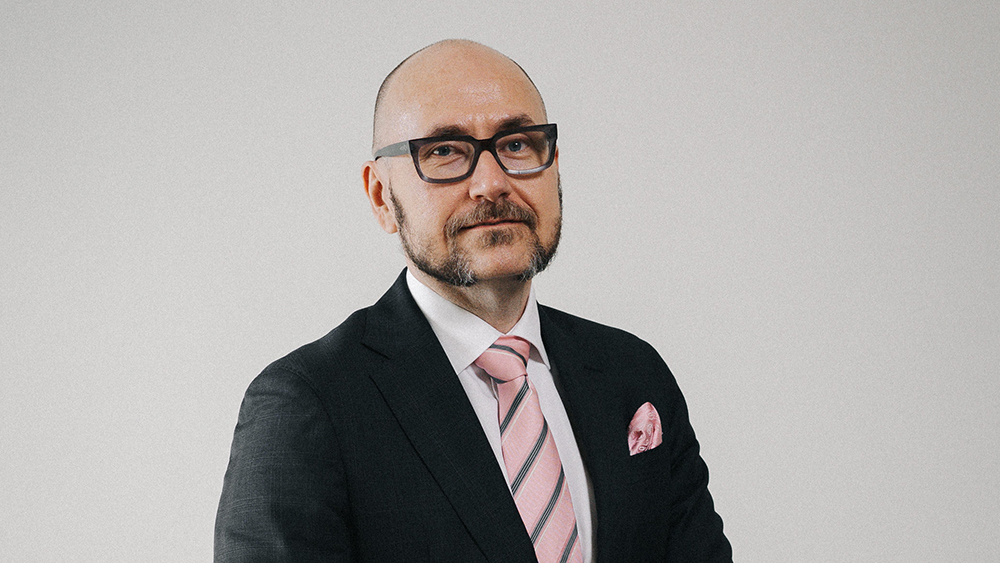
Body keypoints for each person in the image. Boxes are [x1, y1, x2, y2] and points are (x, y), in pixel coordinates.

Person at [215, 39, 732, 563]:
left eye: (516, 144)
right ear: (380, 196)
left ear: (554, 166)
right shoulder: (308, 404)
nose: (491, 183)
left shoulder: (632, 372)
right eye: (443, 151)